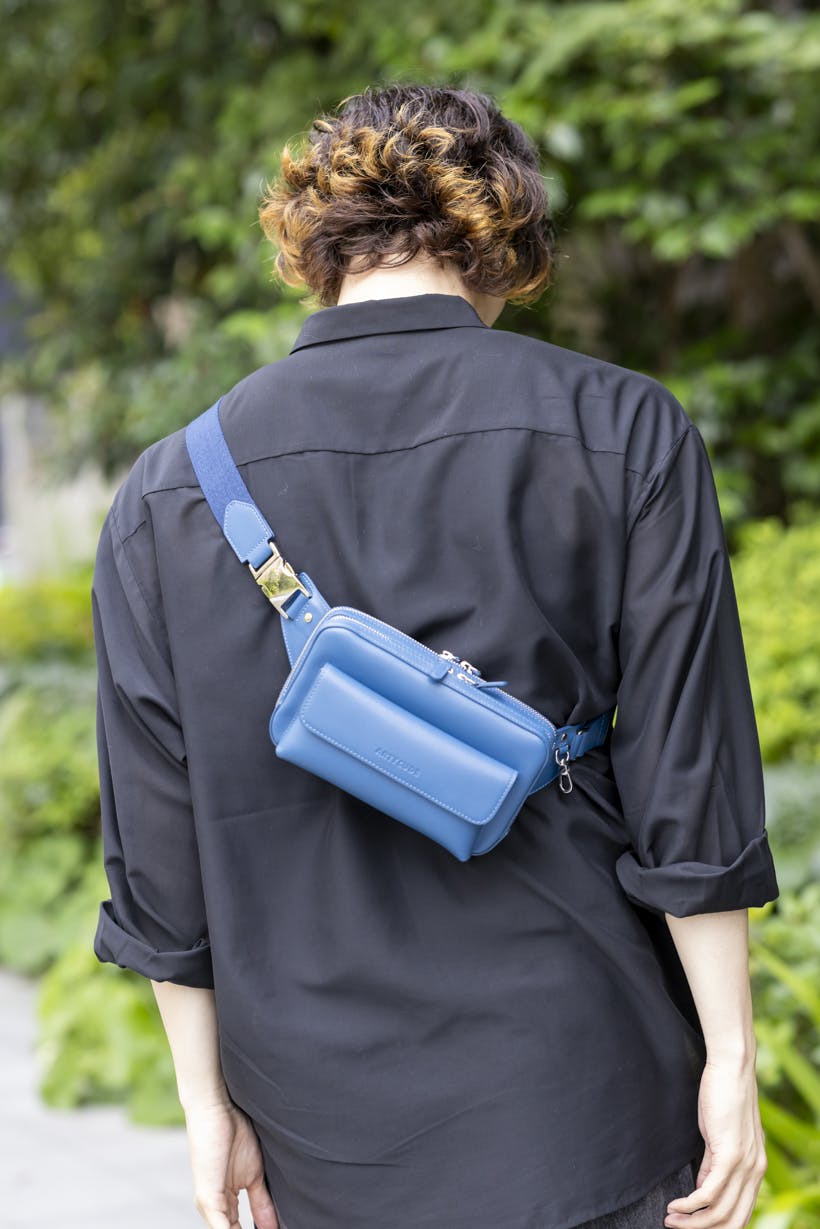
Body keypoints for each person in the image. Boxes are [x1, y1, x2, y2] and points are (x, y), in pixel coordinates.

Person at [90, 83, 779, 1229]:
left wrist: (205, 1102)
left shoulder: (166, 493)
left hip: (317, 1124)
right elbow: (689, 784)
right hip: (577, 1092)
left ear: (311, 243)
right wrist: (730, 1058)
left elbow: (156, 849)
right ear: (506, 234)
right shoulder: (622, 430)